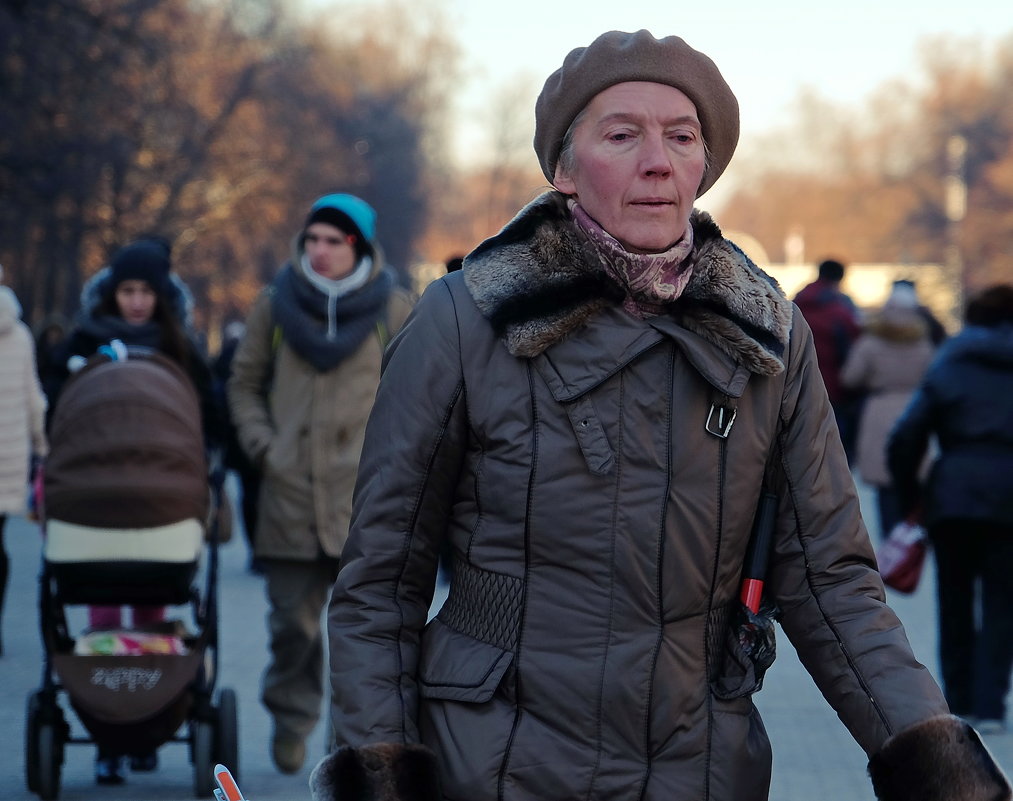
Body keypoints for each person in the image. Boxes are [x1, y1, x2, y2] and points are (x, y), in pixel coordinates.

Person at [311, 30, 1010, 801]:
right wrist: (380, 771)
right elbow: (380, 583)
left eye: (681, 137)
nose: (657, 160)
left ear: (702, 167)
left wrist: (940, 770)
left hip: (700, 767)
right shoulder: (462, 320)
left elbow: (833, 584)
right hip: (493, 762)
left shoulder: (767, 338)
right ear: (564, 169)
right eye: (621, 135)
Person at [227, 193, 412, 775]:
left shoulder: (394, 309)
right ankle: (290, 716)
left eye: (333, 241)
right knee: (292, 632)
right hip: (287, 497)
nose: (320, 251)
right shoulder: (273, 306)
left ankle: (344, 749)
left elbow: (416, 396)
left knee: (360, 643)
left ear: (356, 245)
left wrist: (394, 467)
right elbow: (243, 384)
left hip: (364, 502)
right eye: (312, 240)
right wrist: (265, 448)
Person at [47, 236, 221, 784]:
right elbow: (54, 407)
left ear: (161, 297)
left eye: (147, 292)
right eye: (128, 290)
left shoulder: (180, 348)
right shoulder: (82, 343)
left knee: (153, 603)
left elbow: (207, 413)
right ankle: (105, 725)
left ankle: (148, 712)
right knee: (102, 602)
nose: (138, 302)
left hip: (161, 497)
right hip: (93, 496)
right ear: (112, 293)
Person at [888, 284, 1013, 736]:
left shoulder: (951, 362)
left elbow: (906, 435)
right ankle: (992, 704)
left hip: (954, 496)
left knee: (954, 600)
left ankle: (958, 701)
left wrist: (911, 497)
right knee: (1003, 603)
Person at [840, 280, 936, 537]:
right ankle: (909, 541)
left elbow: (850, 377)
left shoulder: (870, 343)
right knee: (912, 479)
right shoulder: (924, 344)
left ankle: (890, 546)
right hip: (914, 409)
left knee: (885, 484)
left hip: (879, 410)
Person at [0, 285, 48, 658]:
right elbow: (34, 398)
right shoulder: (18, 334)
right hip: (8, 454)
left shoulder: (21, 336)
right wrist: (43, 446)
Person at [793, 258, 862, 463]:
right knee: (834, 454)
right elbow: (853, 349)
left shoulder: (797, 304)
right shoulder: (841, 312)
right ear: (840, 279)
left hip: (798, 386)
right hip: (834, 390)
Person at [212, 320, 262, 572]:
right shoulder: (255, 360)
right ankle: (261, 550)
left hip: (239, 440)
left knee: (250, 497)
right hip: (251, 436)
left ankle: (257, 550)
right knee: (260, 497)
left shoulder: (223, 361)